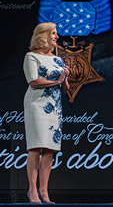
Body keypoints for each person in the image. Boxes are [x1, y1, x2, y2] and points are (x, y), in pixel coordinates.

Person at [23, 22, 70, 204]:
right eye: (53, 33)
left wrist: (64, 78)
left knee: (50, 150)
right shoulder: (31, 56)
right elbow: (33, 81)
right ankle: (32, 191)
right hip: (37, 104)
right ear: (43, 35)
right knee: (35, 147)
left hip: (55, 107)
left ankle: (44, 191)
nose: (57, 37)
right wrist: (57, 81)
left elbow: (65, 90)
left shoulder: (58, 59)